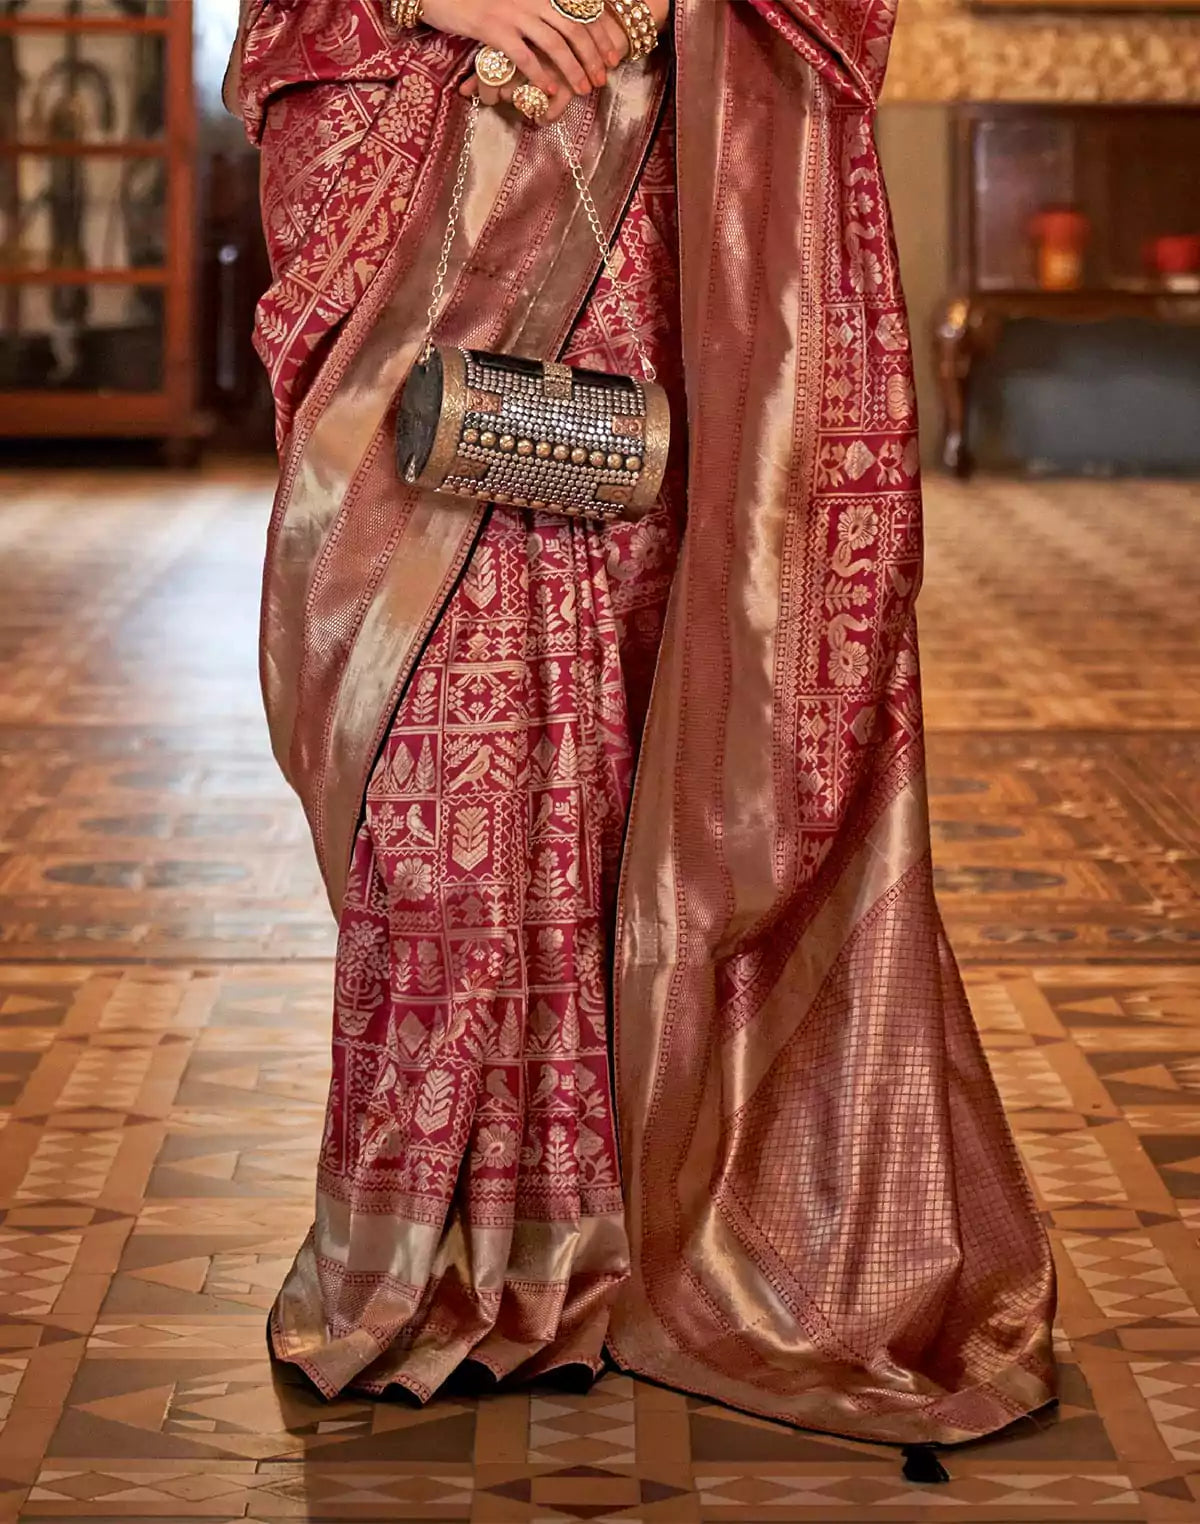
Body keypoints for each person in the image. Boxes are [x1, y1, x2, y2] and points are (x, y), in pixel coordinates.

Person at [227, 0, 1057, 1462]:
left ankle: (589, 1245)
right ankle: (421, 1261)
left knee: (604, 743)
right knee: (430, 750)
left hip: (643, 172)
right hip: (411, 150)